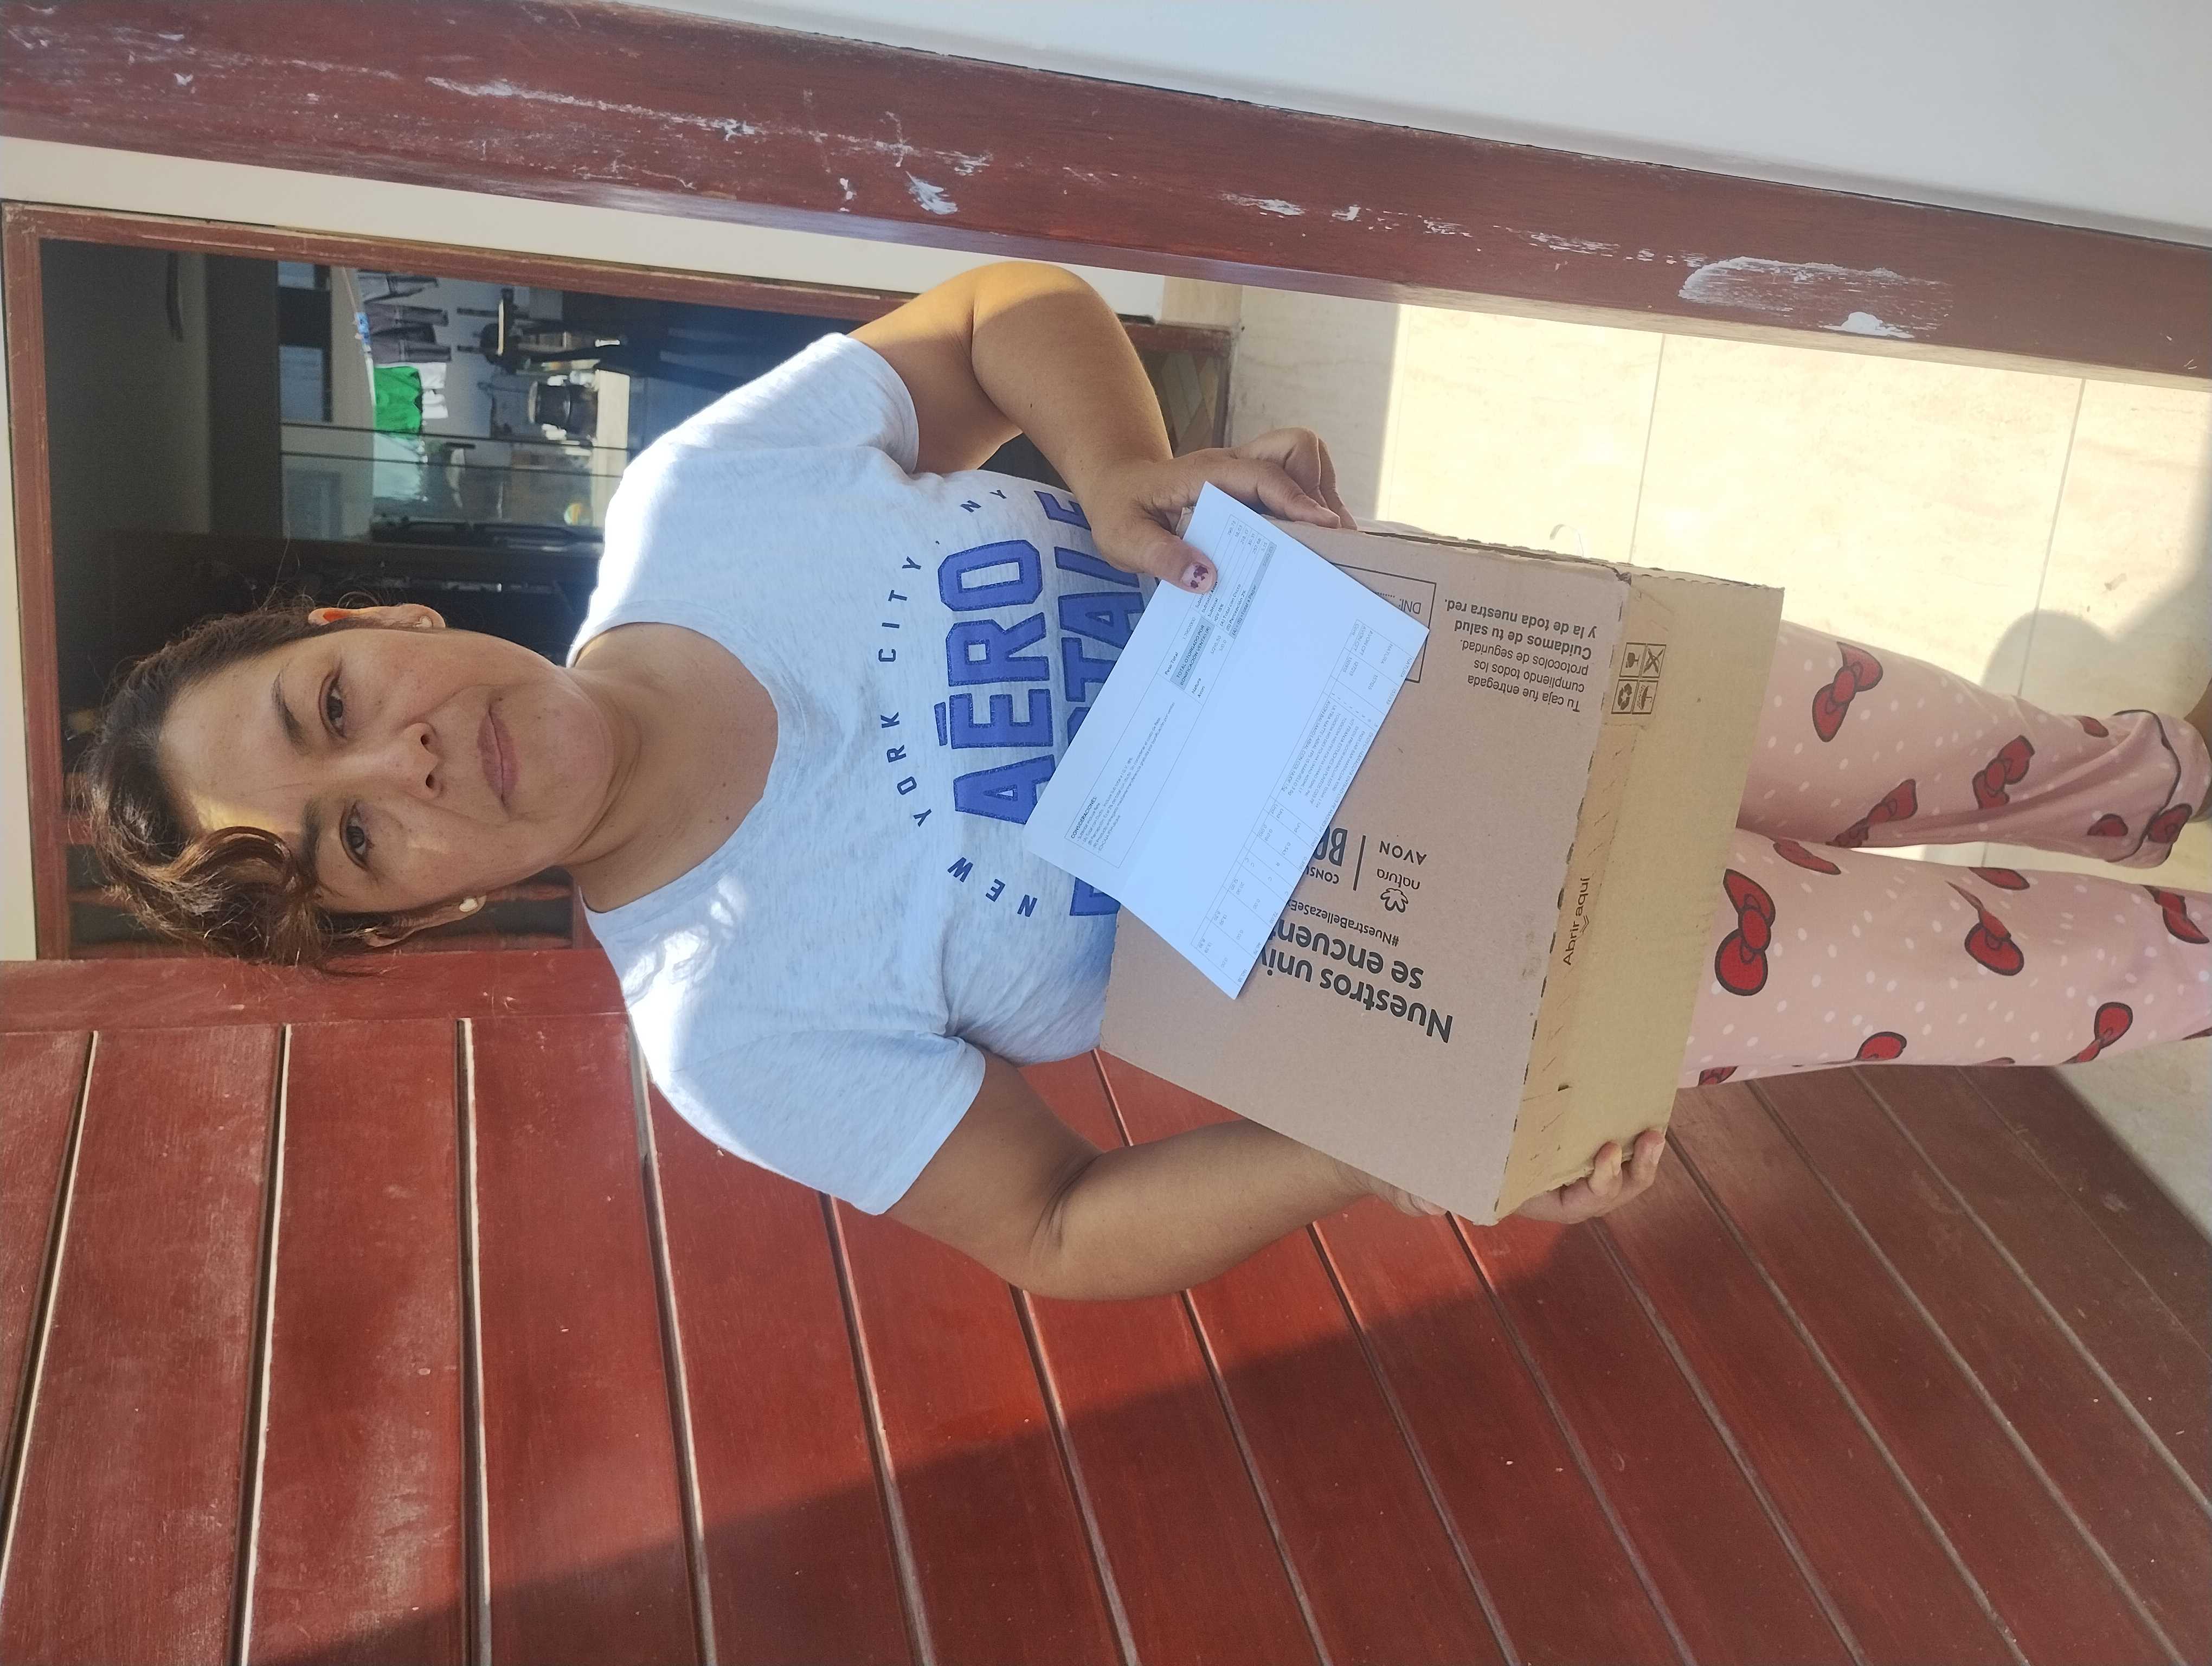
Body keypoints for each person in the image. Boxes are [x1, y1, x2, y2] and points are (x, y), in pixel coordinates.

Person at [80, 262, 2210, 1300]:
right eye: (355, 843)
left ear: (367, 618)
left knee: (1964, 744)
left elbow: (1001, 316)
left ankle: (2161, 768)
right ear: (422, 906)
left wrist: (1117, 470)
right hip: (1500, 980)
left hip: (1518, 672)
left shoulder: (707, 503)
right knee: (2014, 975)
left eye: (331, 702)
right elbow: (1057, 1226)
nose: (406, 759)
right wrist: (1395, 1140)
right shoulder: (733, 1029)